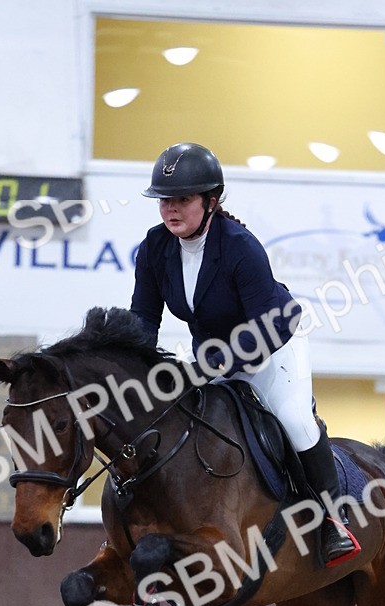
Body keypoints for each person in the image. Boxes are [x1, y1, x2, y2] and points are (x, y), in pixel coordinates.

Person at [130, 141, 360, 566]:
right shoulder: (155, 247)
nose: (170, 210)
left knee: (293, 418)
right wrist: (136, 369)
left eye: (182, 199)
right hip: (213, 354)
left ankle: (333, 518)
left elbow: (264, 330)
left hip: (274, 344)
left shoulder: (239, 247)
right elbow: (144, 318)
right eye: (164, 200)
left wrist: (210, 367)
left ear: (211, 201)